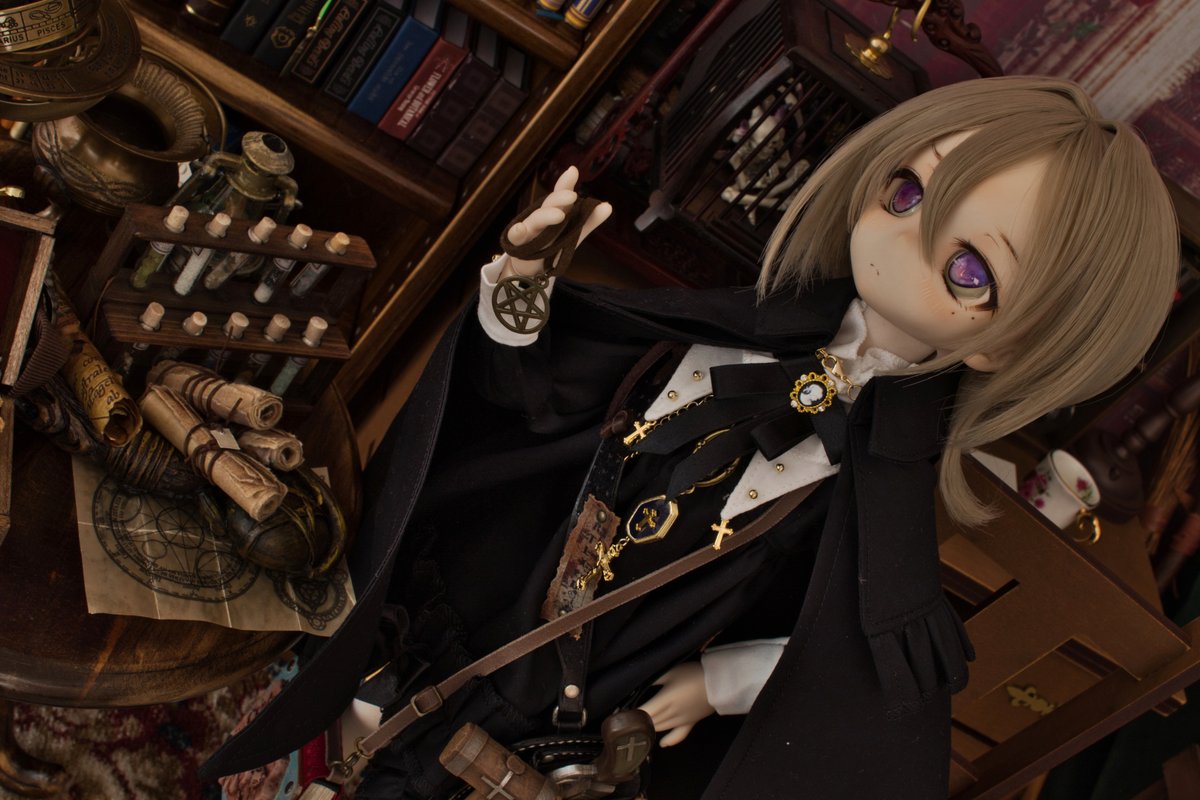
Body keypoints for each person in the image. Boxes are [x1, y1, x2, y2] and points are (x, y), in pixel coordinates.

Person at [203, 76, 1178, 799]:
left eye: (970, 270)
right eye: (906, 194)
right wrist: (522, 286)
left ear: (1014, 344)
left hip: (572, 699)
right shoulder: (728, 332)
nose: (900, 242)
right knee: (347, 723)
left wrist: (716, 684)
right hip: (486, 598)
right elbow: (532, 404)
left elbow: (854, 673)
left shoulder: (876, 484)